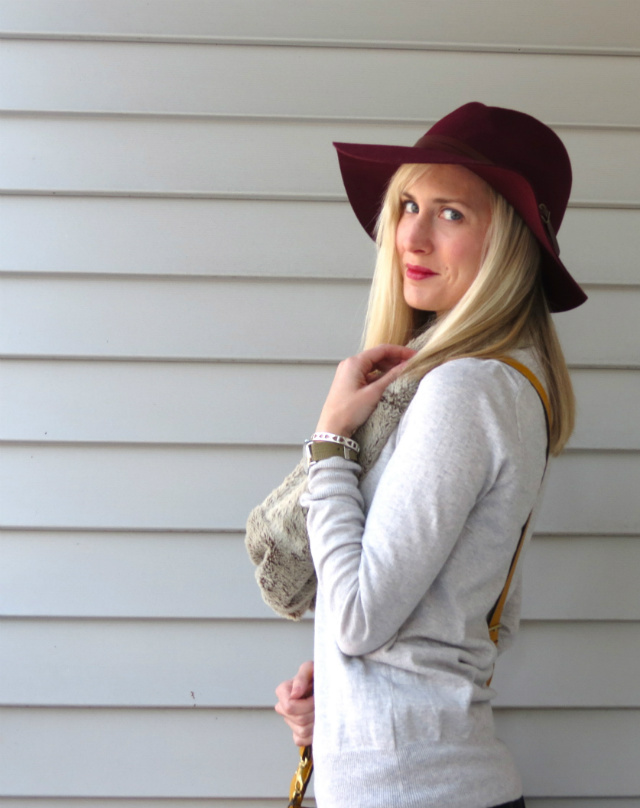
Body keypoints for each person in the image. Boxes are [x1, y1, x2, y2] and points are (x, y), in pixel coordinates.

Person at [263, 102, 587, 808]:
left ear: (510, 242)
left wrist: (331, 444)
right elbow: (468, 618)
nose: (409, 233)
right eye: (408, 204)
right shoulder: (502, 383)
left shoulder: (467, 389)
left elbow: (357, 618)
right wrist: (344, 696)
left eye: (451, 214)